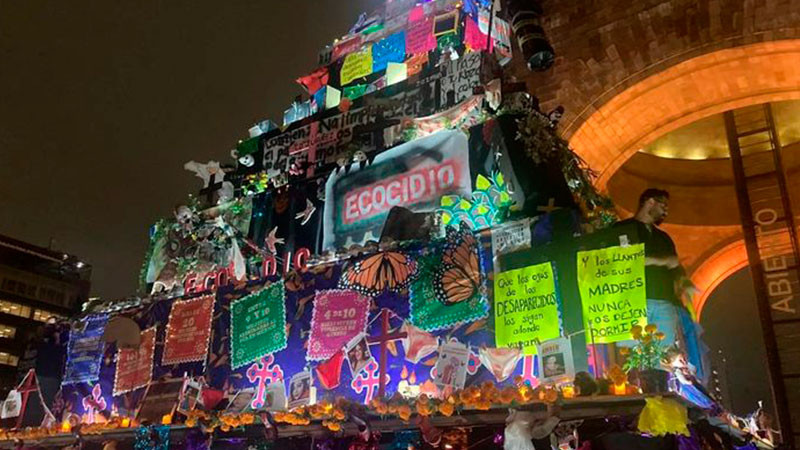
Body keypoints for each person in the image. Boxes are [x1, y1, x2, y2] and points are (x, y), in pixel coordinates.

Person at [615, 188, 708, 383]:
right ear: (649, 202)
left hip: (665, 302)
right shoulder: (621, 229)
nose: (666, 211)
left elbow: (675, 267)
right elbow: (618, 260)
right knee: (631, 352)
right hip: (634, 301)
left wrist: (685, 283)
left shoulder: (664, 237)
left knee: (662, 354)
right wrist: (660, 261)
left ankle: (659, 391)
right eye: (663, 205)